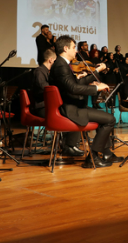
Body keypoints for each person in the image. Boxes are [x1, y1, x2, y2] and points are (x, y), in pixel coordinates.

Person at [49, 36, 122, 168]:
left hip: (74, 106)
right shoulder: (61, 65)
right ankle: (92, 157)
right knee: (110, 119)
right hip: (70, 109)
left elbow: (74, 84)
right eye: (73, 47)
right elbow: (73, 88)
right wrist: (95, 87)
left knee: (104, 118)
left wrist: (91, 80)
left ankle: (106, 153)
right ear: (66, 49)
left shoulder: (62, 64)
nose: (76, 51)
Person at [31, 49, 83, 157]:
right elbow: (45, 89)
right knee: (71, 113)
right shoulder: (39, 71)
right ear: (50, 60)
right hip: (42, 107)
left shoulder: (47, 72)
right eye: (55, 61)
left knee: (72, 109)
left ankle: (70, 145)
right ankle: (69, 146)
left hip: (49, 106)